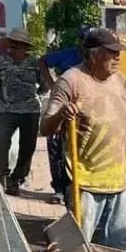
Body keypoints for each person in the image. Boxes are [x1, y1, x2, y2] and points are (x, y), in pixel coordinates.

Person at [40, 28, 126, 250]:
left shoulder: (120, 81)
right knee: (78, 247)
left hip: (120, 180)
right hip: (85, 183)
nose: (118, 57)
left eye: (118, 52)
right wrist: (62, 115)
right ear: (93, 55)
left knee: (120, 244)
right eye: (112, 52)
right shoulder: (70, 81)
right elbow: (45, 127)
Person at [0, 27, 47, 196]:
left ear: (25, 47)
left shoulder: (34, 64)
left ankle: (18, 178)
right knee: (0, 141)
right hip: (8, 111)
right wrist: (5, 100)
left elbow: (44, 86)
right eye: (13, 46)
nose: (15, 49)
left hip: (30, 112)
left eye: (19, 46)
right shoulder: (0, 63)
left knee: (28, 147)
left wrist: (32, 98)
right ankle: (3, 175)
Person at [39, 27, 91, 205]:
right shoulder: (68, 54)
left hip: (84, 110)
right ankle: (60, 188)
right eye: (84, 40)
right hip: (62, 106)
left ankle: (77, 185)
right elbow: (43, 61)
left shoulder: (96, 59)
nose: (86, 45)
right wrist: (52, 84)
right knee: (56, 146)